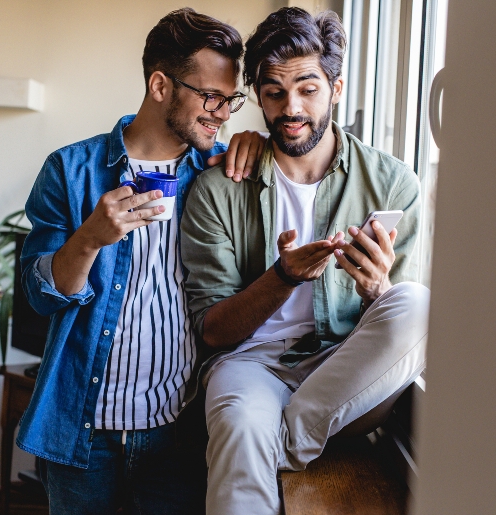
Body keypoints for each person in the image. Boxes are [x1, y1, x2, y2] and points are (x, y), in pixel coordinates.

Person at [180, 7, 430, 515]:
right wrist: (282, 277)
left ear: (336, 89)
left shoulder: (393, 183)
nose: (290, 107)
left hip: (346, 371)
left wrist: (375, 289)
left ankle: (282, 442)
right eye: (273, 91)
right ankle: (275, 438)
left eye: (308, 89)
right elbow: (212, 332)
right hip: (251, 366)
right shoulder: (218, 190)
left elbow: (400, 330)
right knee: (237, 422)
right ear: (258, 96)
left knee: (418, 303)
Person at [16, 8, 266, 515]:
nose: (223, 113)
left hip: (179, 432)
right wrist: (88, 239)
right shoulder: (70, 170)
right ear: (160, 85)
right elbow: (38, 294)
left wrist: (257, 146)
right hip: (82, 435)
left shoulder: (222, 174)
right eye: (211, 97)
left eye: (231, 98)